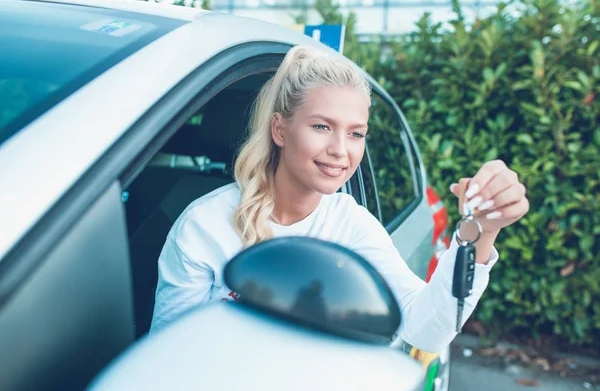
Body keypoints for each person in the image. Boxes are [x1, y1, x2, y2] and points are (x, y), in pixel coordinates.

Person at [149, 45, 529, 353]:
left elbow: (426, 330)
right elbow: (167, 357)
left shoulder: (352, 224)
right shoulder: (205, 224)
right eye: (321, 126)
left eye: (356, 134)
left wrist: (481, 233)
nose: (340, 150)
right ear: (280, 129)